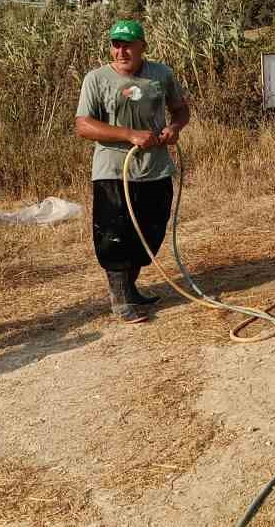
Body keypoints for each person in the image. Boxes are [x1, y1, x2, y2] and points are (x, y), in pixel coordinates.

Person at [74, 19, 190, 323]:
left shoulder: (161, 74)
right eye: (116, 44)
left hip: (155, 168)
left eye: (128, 44)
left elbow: (180, 109)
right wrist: (129, 134)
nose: (121, 50)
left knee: (150, 232)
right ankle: (120, 299)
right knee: (115, 235)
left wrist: (173, 128)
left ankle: (131, 287)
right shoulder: (96, 79)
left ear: (143, 47)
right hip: (114, 170)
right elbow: (83, 125)